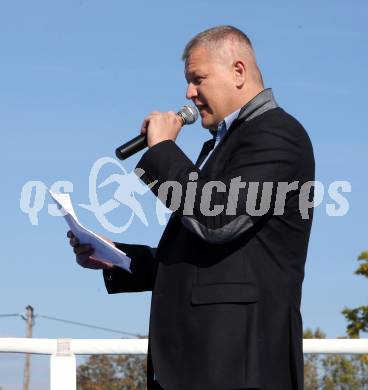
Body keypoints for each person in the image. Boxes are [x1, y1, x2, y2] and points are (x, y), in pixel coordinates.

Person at [68, 25, 314, 390]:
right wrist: (119, 259)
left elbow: (216, 219)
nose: (189, 93)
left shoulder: (277, 134)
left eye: (198, 79)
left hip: (239, 366)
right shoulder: (221, 145)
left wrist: (162, 150)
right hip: (200, 365)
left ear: (238, 71)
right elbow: (208, 258)